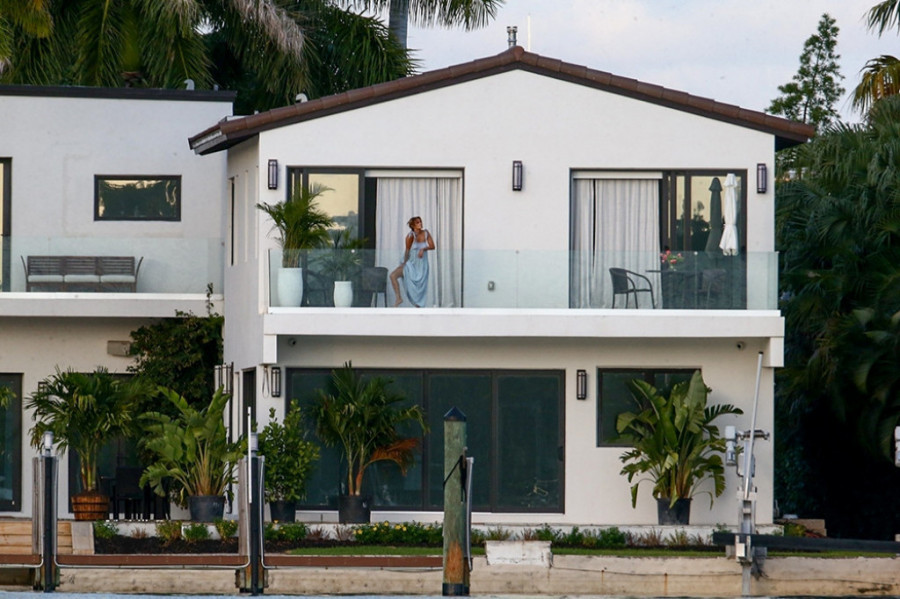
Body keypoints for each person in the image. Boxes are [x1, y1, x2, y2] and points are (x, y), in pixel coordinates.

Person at [390, 216, 435, 307]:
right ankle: (398, 298)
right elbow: (407, 251)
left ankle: (418, 307)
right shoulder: (410, 236)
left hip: (422, 264)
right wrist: (404, 263)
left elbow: (432, 246)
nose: (420, 224)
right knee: (393, 275)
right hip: (411, 262)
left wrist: (423, 248)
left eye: (420, 222)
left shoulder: (426, 233)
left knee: (419, 288)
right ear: (413, 225)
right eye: (417, 222)